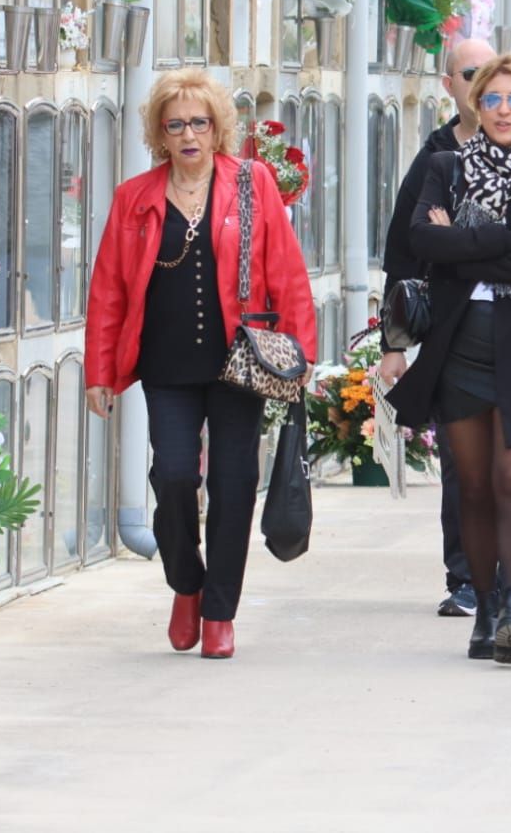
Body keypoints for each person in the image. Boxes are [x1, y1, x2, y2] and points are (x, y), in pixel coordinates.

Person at [84, 69, 316, 660]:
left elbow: (286, 272)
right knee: (176, 476)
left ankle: (219, 612)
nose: (189, 134)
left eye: (200, 122)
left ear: (218, 128)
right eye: (176, 124)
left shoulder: (252, 182)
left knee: (234, 483)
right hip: (166, 363)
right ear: (160, 132)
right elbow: (109, 288)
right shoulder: (135, 197)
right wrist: (100, 371)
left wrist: (301, 354)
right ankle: (185, 583)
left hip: (238, 361)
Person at [378, 37, 511, 617]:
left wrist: (477, 251)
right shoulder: (442, 165)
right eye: (490, 94)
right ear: (467, 95)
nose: (502, 107)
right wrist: (508, 240)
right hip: (460, 341)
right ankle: (473, 591)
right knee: (469, 482)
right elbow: (416, 243)